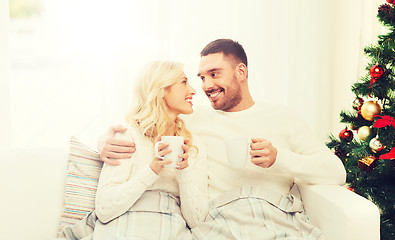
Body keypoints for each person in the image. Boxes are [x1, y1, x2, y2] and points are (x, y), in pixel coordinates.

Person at [99, 39, 347, 240]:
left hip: (276, 216)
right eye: (202, 77)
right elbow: (148, 122)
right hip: (222, 221)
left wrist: (278, 158)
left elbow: (335, 172)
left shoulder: (283, 117)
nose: (206, 85)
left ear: (241, 71)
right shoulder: (192, 121)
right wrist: (103, 143)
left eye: (214, 74)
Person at [91, 60, 208, 240]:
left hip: (171, 229)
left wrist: (183, 171)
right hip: (125, 228)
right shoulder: (127, 136)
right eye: (184, 82)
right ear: (162, 89)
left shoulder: (193, 146)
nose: (193, 90)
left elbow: (198, 221)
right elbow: (105, 209)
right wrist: (152, 170)